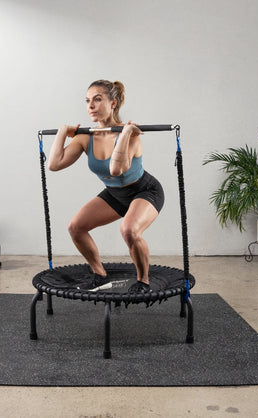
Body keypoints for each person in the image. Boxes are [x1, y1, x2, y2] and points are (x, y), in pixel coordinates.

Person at [48, 79, 164, 292]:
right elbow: (54, 165)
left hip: (144, 191)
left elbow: (116, 170)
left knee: (129, 230)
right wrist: (63, 131)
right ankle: (99, 274)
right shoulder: (86, 137)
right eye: (87, 101)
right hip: (115, 194)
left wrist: (126, 132)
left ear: (113, 103)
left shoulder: (132, 134)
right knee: (76, 227)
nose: (90, 105)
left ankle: (143, 281)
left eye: (97, 99)